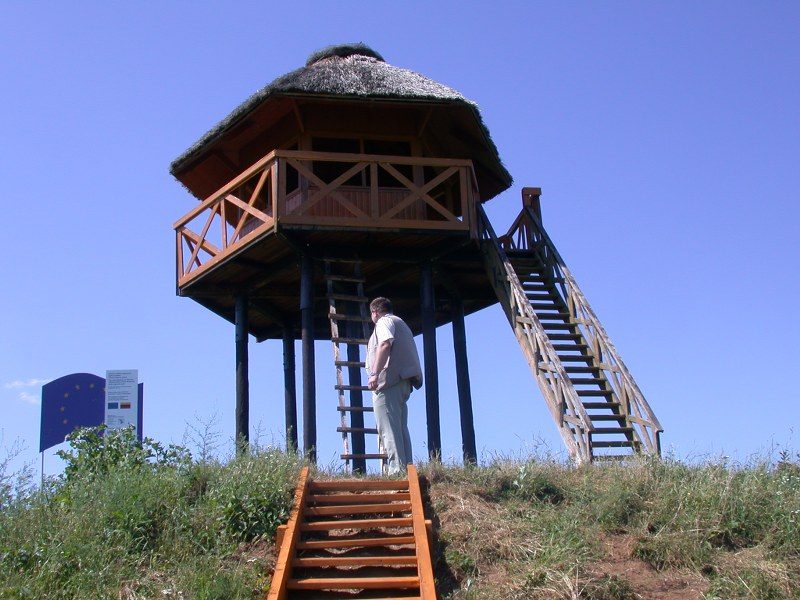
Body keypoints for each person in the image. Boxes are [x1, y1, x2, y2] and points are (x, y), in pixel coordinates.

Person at [366, 297, 423, 475]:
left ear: (375, 312)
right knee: (399, 428)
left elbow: (384, 343)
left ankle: (396, 472)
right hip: (404, 381)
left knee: (388, 429)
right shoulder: (401, 323)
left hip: (388, 382)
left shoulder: (384, 322)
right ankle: (408, 470)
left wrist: (374, 373)